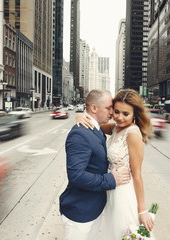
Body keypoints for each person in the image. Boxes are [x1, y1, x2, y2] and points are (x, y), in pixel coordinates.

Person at [77, 88, 155, 239]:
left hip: (124, 193)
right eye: (116, 111)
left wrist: (142, 210)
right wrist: (81, 116)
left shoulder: (132, 133)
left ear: (134, 114)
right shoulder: (116, 128)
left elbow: (137, 175)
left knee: (125, 233)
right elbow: (95, 125)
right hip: (112, 190)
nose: (120, 117)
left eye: (126, 114)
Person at [59, 89, 131, 240]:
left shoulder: (96, 128)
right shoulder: (80, 133)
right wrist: (111, 179)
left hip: (93, 208)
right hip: (79, 212)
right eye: (108, 108)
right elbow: (76, 176)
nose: (112, 113)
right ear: (93, 108)